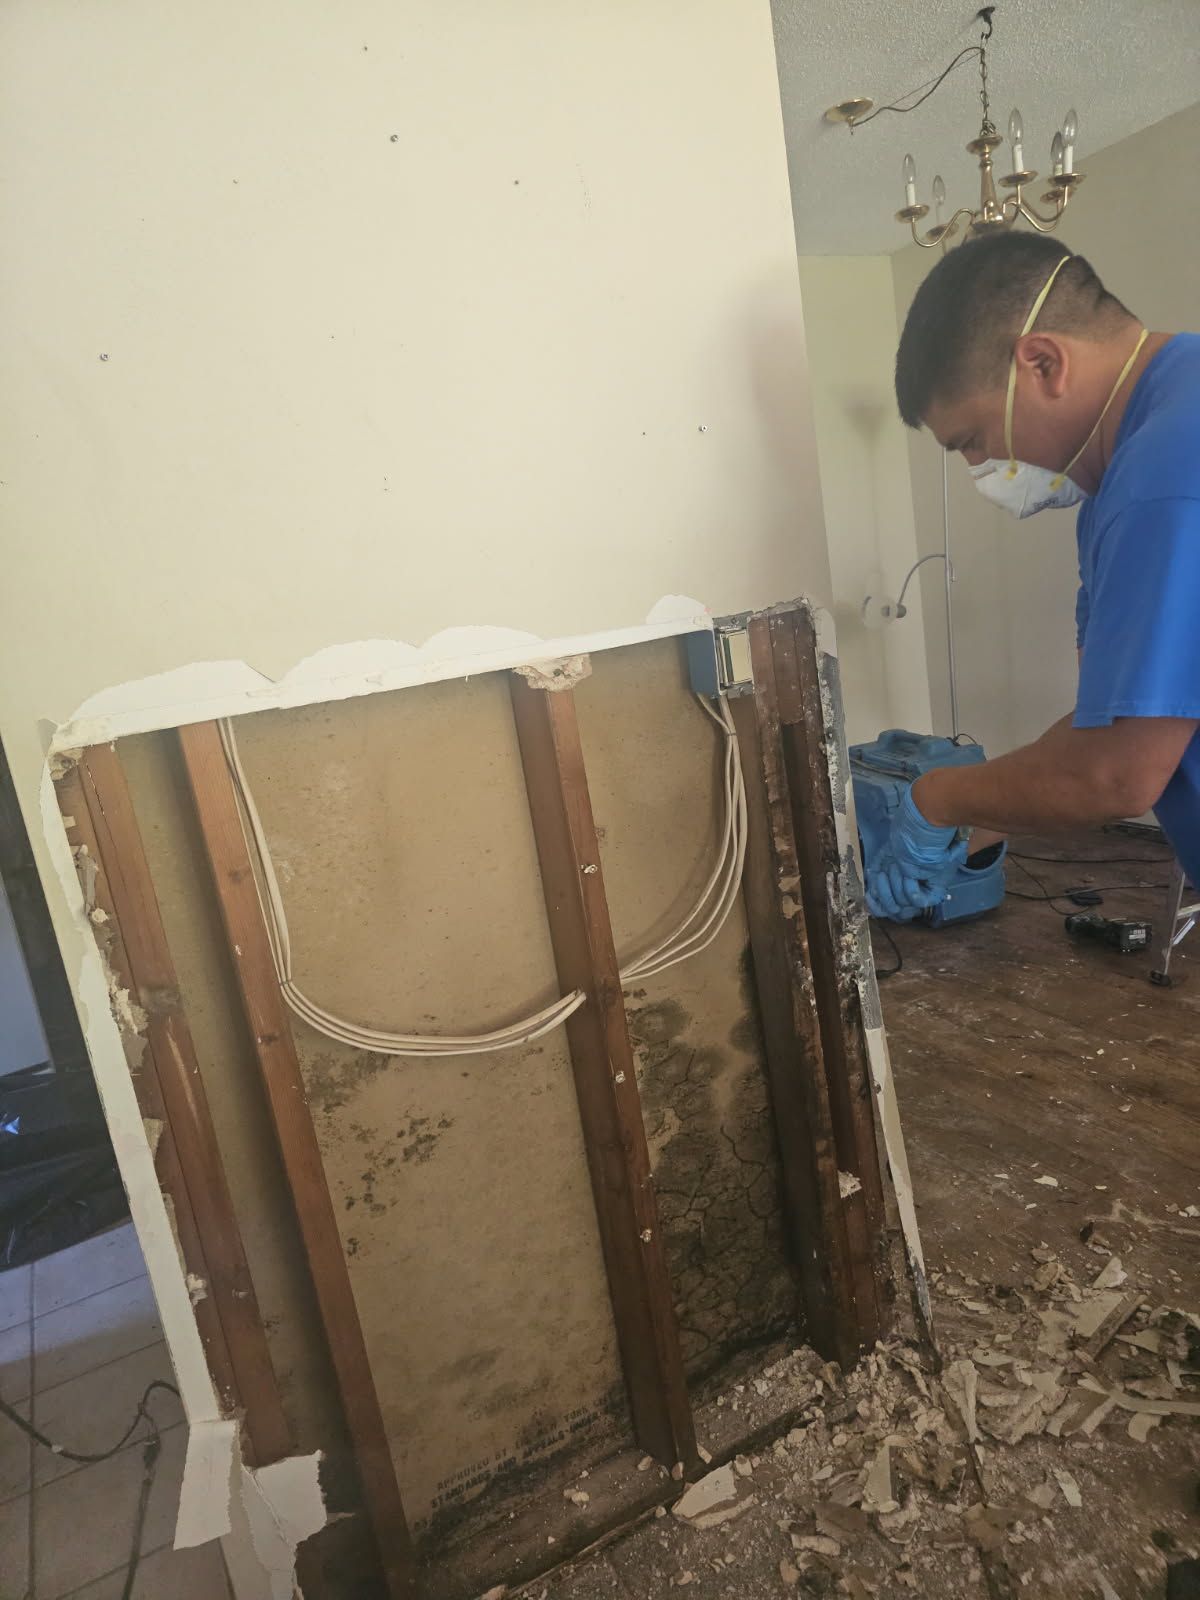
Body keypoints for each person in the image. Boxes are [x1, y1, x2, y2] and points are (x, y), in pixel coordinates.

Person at [867, 231, 1199, 922]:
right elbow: (1104, 722)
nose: (982, 470)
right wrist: (988, 818)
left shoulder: (1163, 479)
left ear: (1043, 362)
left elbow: (1116, 775)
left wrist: (939, 799)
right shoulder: (1126, 473)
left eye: (972, 440)